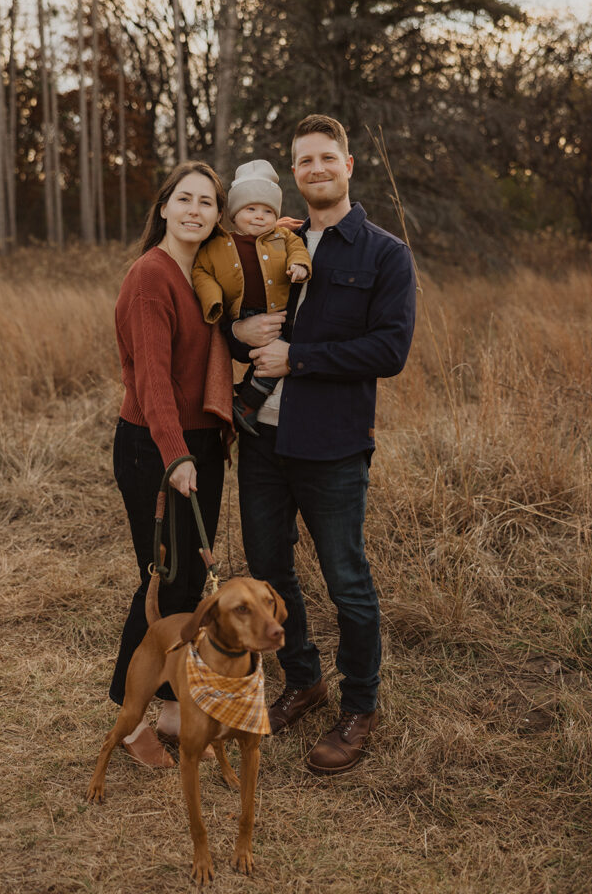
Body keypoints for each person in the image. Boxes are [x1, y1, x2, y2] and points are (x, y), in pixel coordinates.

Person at [228, 114, 416, 776]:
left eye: (324, 158)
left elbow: (389, 349)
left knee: (347, 581)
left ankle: (358, 707)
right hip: (260, 441)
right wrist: (242, 335)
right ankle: (302, 682)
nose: (313, 169)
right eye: (302, 161)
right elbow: (235, 324)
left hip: (332, 445)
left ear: (347, 165)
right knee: (270, 573)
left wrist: (297, 358)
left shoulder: (383, 253)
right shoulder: (268, 241)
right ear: (293, 174)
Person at [109, 161, 233, 767]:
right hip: (155, 449)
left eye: (207, 203)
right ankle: (129, 717)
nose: (194, 210)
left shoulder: (202, 273)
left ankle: (168, 709)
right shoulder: (151, 276)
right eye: (184, 199)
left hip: (199, 447)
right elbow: (152, 379)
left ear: (217, 215)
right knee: (161, 579)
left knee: (188, 584)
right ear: (163, 207)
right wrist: (175, 453)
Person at [191, 159, 312, 436]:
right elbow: (201, 271)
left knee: (273, 360)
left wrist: (300, 265)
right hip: (240, 315)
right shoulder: (219, 245)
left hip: (276, 316)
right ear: (234, 214)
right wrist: (213, 301)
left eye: (267, 211)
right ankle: (235, 404)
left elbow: (298, 249)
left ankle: (246, 404)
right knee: (258, 357)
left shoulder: (282, 236)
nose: (259, 216)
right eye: (250, 209)